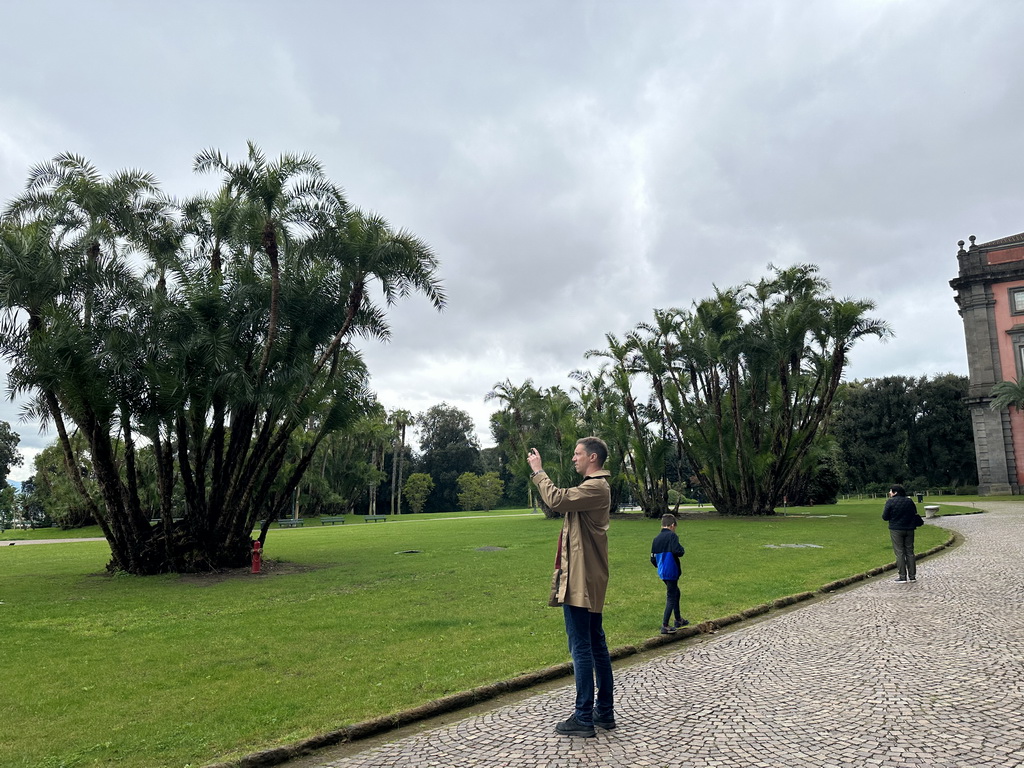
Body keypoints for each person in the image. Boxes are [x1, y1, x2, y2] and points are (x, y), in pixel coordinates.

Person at [527, 437, 614, 739]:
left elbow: (557, 499)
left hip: (581, 579)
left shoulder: (595, 487)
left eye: (577, 454)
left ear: (592, 457)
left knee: (582, 646)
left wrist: (539, 471)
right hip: (589, 577)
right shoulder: (596, 487)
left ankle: (584, 717)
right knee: (595, 643)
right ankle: (603, 711)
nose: (574, 458)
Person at [651, 514, 688, 634]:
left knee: (676, 592)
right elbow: (678, 551)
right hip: (671, 569)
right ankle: (665, 625)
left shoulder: (656, 539)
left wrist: (659, 565)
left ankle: (678, 619)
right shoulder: (672, 536)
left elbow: (652, 558)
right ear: (672, 525)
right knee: (671, 596)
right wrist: (682, 549)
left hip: (662, 570)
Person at [882, 483, 919, 582]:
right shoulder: (909, 501)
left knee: (899, 552)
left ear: (895, 492)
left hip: (896, 529)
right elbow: (914, 512)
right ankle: (912, 576)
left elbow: (885, 517)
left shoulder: (890, 502)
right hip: (909, 528)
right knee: (910, 552)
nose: (889, 493)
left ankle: (902, 576)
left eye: (891, 491)